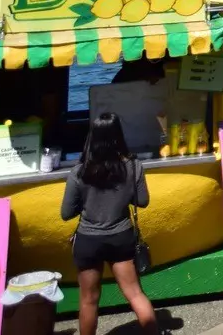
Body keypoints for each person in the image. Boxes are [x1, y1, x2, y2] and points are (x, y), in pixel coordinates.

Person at [61, 113, 159, 335]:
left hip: (88, 240)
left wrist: (87, 204)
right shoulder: (133, 166)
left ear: (91, 137)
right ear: (118, 135)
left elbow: (66, 213)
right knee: (135, 294)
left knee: (88, 300)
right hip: (121, 237)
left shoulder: (79, 171)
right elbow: (142, 201)